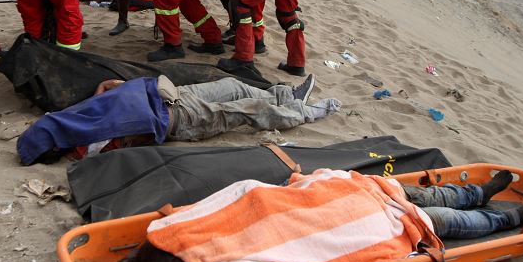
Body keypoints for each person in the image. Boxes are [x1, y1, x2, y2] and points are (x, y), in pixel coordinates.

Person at [92, 170, 523, 262]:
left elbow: (240, 200)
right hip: (347, 211)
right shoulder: (168, 238)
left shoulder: (171, 239)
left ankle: (488, 199)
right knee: (425, 208)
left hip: (335, 205)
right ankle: (509, 212)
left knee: (428, 212)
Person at [17, 72, 335, 165]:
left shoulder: (75, 119)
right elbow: (133, 137)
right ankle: (304, 113)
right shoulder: (87, 147)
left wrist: (111, 89)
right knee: (245, 112)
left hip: (170, 92)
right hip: (177, 116)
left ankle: (288, 96)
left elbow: (105, 100)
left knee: (235, 87)